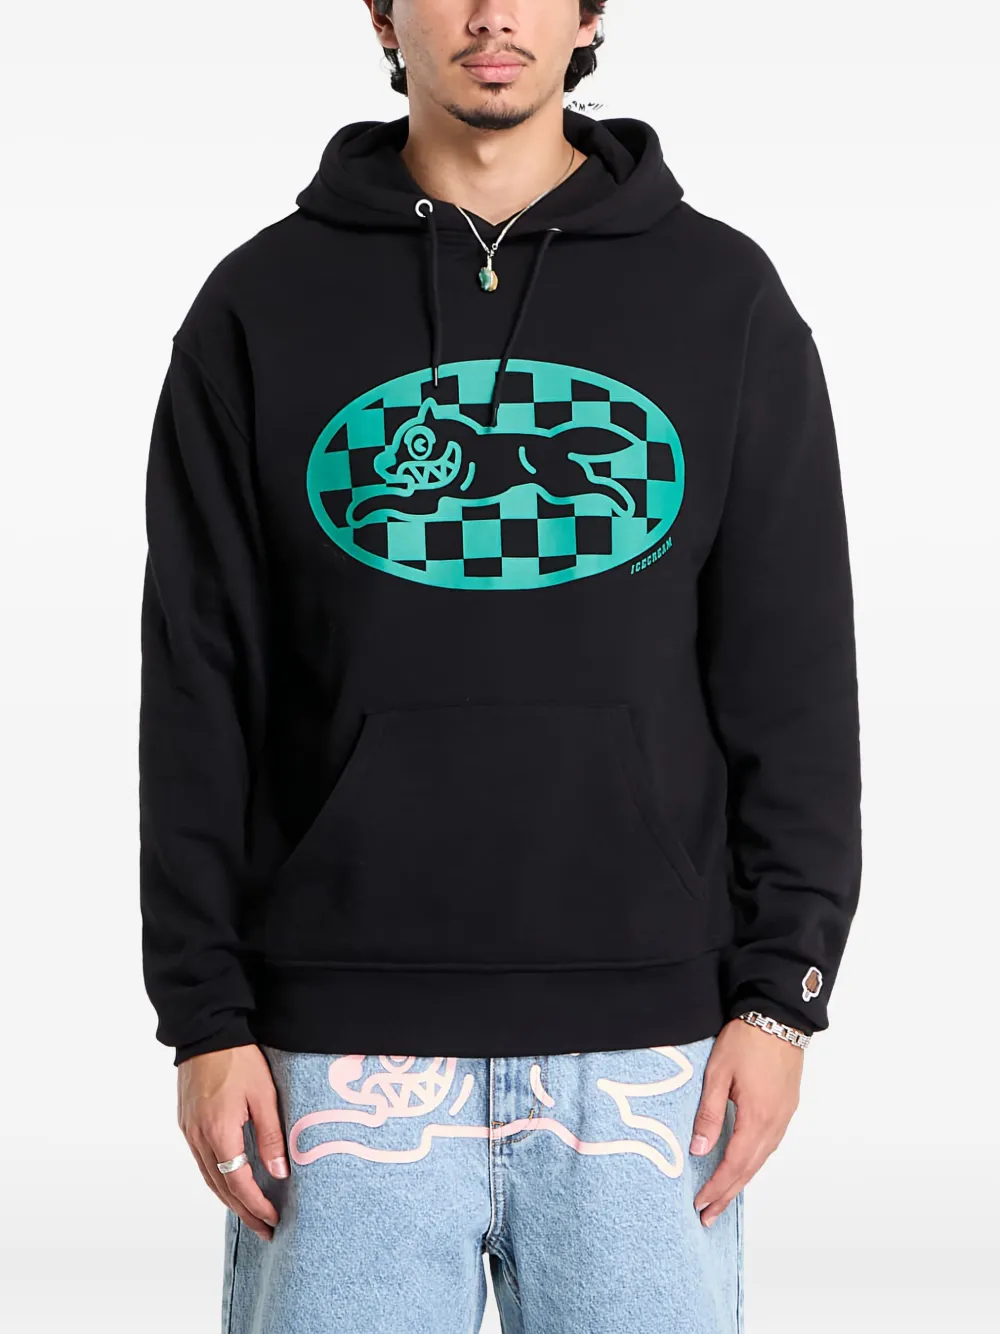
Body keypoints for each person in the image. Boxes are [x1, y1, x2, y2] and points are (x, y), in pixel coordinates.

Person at [138, 3, 862, 1330]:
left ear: (590, 14)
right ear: (381, 13)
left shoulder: (722, 299)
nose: (490, 13)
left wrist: (783, 999)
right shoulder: (261, 306)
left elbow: (794, 673)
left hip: (650, 1044)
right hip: (331, 1049)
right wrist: (204, 1015)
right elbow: (201, 686)